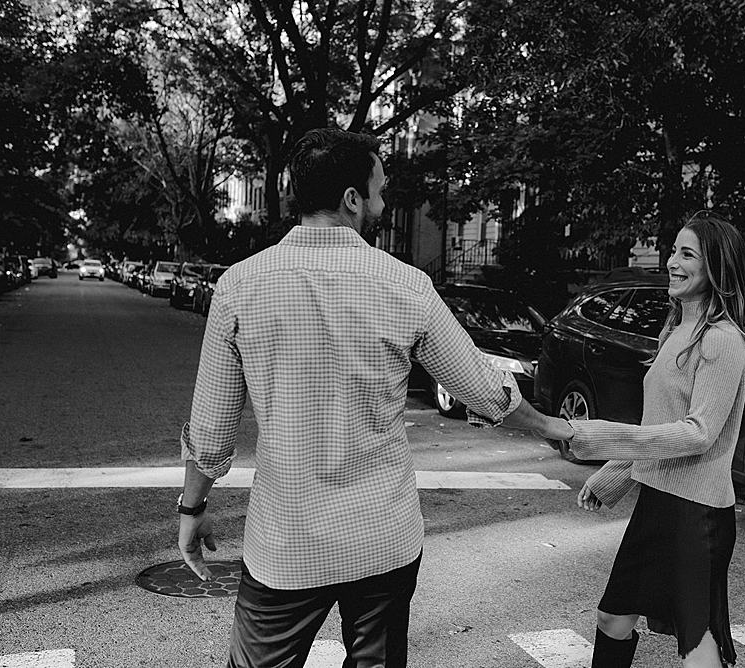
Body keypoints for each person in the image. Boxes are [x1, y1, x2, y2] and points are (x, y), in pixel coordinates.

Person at [176, 127, 566, 668]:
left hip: (286, 543)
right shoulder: (407, 285)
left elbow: (212, 431)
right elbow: (481, 388)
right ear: (352, 200)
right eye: (380, 190)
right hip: (382, 539)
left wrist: (192, 509)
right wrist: (549, 427)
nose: (383, 202)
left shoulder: (239, 287)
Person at [547, 211, 745, 668]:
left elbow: (698, 434)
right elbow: (658, 424)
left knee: (698, 648)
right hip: (658, 505)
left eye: (688, 255)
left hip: (696, 515)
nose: (672, 262)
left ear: (716, 268)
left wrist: (593, 437)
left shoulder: (722, 340)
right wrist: (615, 476)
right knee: (613, 618)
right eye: (673, 251)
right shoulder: (676, 331)